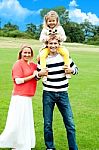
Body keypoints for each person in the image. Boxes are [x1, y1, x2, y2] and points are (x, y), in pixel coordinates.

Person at [38, 35, 78, 150]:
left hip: (63, 94)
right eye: (51, 44)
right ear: (47, 44)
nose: (53, 46)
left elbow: (76, 69)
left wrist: (72, 70)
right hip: (48, 94)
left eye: (55, 43)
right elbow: (37, 74)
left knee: (70, 123)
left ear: (59, 44)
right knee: (47, 124)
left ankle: (73, 148)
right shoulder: (43, 58)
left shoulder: (65, 57)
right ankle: (50, 147)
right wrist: (39, 74)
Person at [0, 45, 38, 150]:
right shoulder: (18, 64)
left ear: (31, 54)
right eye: (24, 52)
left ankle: (21, 143)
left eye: (29, 53)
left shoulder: (33, 65)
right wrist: (33, 76)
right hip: (19, 96)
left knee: (25, 121)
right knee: (17, 121)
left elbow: (40, 67)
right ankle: (15, 143)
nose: (27, 54)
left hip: (28, 96)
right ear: (21, 53)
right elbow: (18, 80)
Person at [39, 10, 71, 79]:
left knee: (66, 52)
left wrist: (59, 37)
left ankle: (67, 70)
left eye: (53, 21)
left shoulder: (60, 28)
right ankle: (44, 72)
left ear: (57, 21)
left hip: (58, 46)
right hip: (47, 47)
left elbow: (64, 38)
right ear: (46, 21)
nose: (52, 23)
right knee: (42, 55)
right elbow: (41, 39)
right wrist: (47, 38)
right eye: (50, 21)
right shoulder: (45, 29)